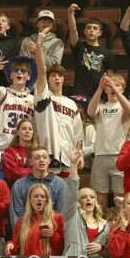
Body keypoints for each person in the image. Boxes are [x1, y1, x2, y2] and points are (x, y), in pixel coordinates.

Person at [28, 27, 85, 172]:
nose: (57, 78)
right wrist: (39, 45)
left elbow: (78, 135)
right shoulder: (43, 97)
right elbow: (42, 70)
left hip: (68, 157)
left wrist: (80, 154)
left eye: (60, 76)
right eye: (53, 76)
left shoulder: (71, 104)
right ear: (48, 79)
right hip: (47, 157)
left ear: (64, 79)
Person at [87, 73, 130, 209]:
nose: (113, 88)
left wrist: (114, 88)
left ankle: (121, 222)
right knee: (100, 201)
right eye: (110, 86)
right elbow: (90, 112)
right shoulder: (101, 107)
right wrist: (100, 88)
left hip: (119, 156)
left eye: (117, 85)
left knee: (119, 199)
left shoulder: (125, 106)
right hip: (100, 155)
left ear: (123, 89)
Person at [10, 146, 67, 231]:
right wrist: (23, 234)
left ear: (49, 161)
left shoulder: (60, 184)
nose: (41, 160)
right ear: (30, 161)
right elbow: (16, 214)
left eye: (44, 157)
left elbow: (62, 213)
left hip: (51, 231)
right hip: (27, 232)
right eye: (37, 158)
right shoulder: (19, 185)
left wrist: (54, 233)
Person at [0, 55, 36, 151]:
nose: (19, 72)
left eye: (23, 71)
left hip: (24, 150)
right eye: (15, 70)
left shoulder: (33, 100)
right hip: (2, 149)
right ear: (10, 75)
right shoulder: (3, 93)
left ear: (29, 76)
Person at [67, 6, 113, 98]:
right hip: (80, 93)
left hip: (100, 94)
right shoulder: (79, 47)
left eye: (95, 28)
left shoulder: (107, 53)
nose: (91, 30)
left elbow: (110, 76)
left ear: (100, 33)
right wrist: (70, 13)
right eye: (89, 28)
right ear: (84, 31)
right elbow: (73, 30)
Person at [3, 118, 38, 185]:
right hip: (13, 185)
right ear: (18, 132)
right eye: (24, 129)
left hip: (34, 185)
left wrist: (19, 170)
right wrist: (32, 171)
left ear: (33, 133)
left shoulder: (38, 152)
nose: (27, 131)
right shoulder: (9, 151)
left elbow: (40, 170)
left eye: (30, 129)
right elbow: (12, 173)